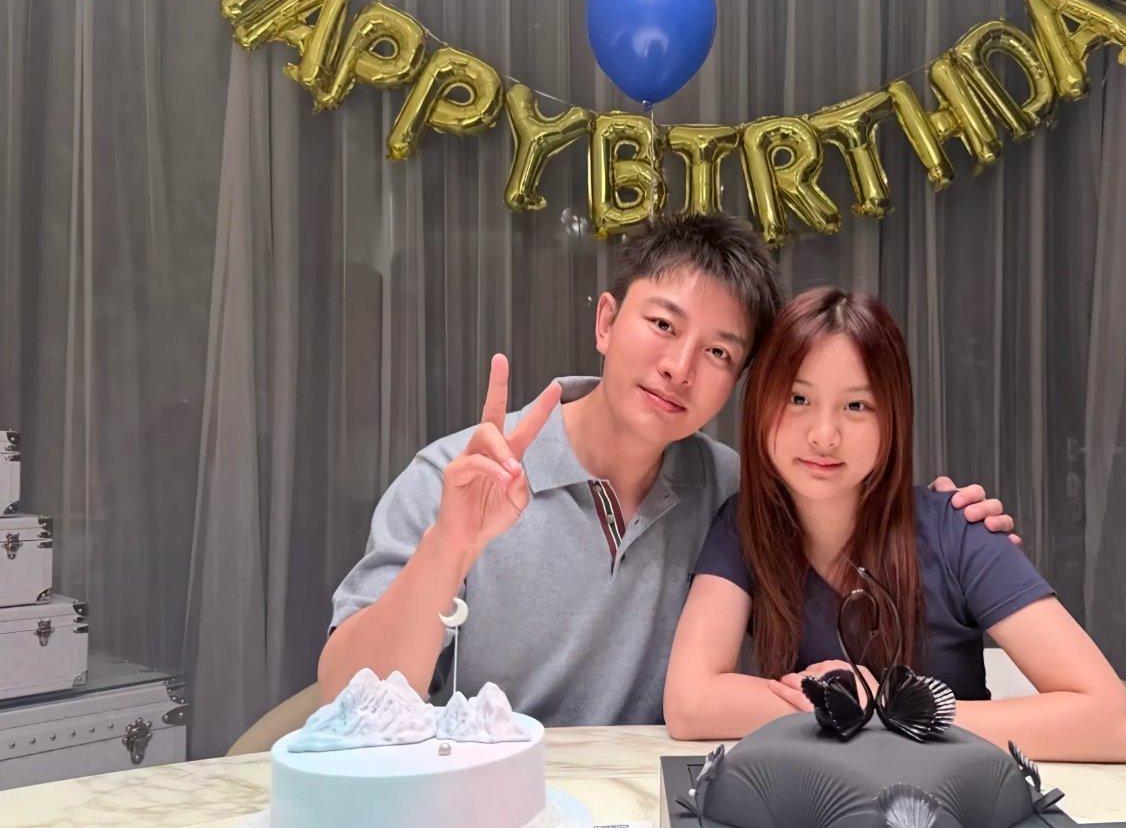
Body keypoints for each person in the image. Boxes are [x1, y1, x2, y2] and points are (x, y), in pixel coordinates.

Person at [319, 215, 1017, 726]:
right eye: (663, 325)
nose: (680, 368)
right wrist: (450, 544)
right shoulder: (459, 476)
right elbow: (345, 697)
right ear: (606, 322)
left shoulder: (736, 492)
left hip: (659, 808)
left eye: (718, 353)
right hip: (488, 809)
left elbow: (845, 532)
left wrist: (942, 521)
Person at [663, 288, 1126, 762]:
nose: (824, 436)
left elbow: (1113, 723)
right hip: (818, 799)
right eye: (798, 398)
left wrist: (890, 713)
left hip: (954, 800)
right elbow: (689, 705)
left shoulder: (959, 530)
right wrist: (842, 707)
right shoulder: (744, 528)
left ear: (893, 417)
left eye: (856, 406)